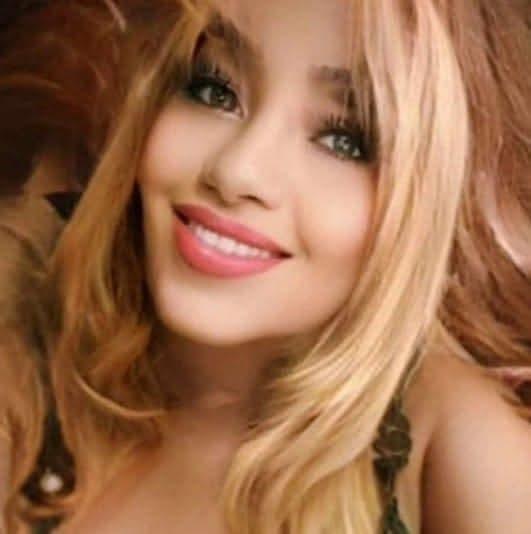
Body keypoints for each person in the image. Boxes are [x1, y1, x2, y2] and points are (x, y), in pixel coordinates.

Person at [0, 0, 530, 532]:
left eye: (345, 140)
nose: (236, 170)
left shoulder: (458, 447)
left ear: (440, 199)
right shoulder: (37, 361)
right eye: (215, 90)